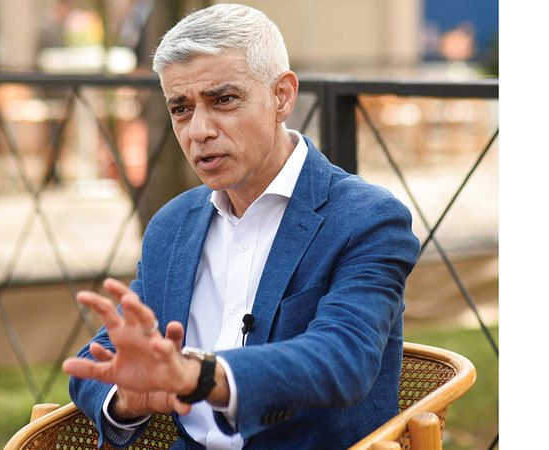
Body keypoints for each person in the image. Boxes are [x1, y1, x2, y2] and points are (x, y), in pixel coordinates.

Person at [62, 4, 421, 449]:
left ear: (282, 97)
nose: (199, 131)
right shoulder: (172, 226)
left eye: (223, 100)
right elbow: (101, 363)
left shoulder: (367, 219)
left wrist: (200, 375)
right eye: (181, 109)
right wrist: (127, 398)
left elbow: (342, 360)